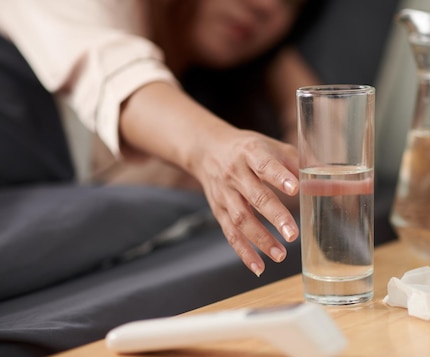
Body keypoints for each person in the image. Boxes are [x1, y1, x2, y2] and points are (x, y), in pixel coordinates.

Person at [0, 0, 326, 277]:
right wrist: (214, 147)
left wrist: (278, 62)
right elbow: (118, 76)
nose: (266, 6)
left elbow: (319, 177)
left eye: (293, 3)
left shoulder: (199, 103)